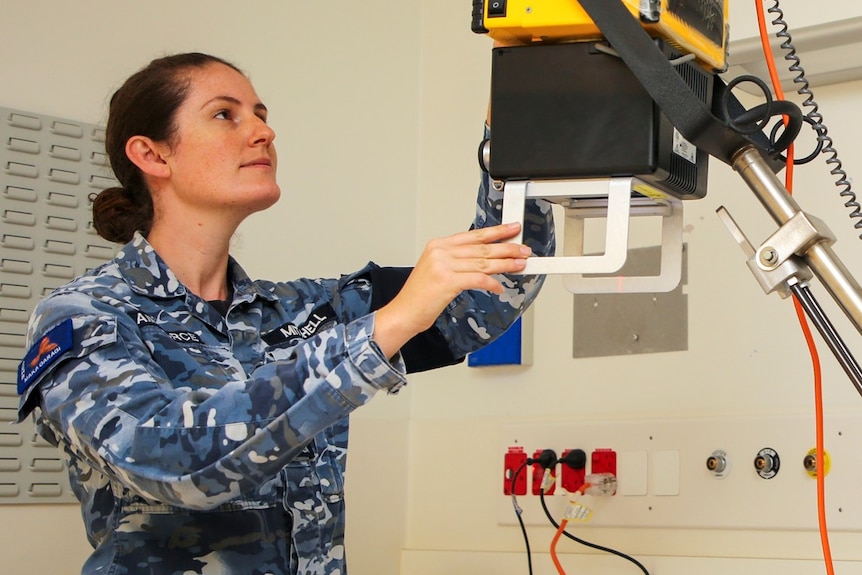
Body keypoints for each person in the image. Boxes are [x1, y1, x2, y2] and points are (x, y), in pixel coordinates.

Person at [16, 52, 554, 575]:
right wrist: (385, 327)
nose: (262, 132)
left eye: (261, 114)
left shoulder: (305, 310)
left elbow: (488, 299)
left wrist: (513, 135)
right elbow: (172, 462)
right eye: (225, 114)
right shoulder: (87, 315)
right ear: (153, 156)